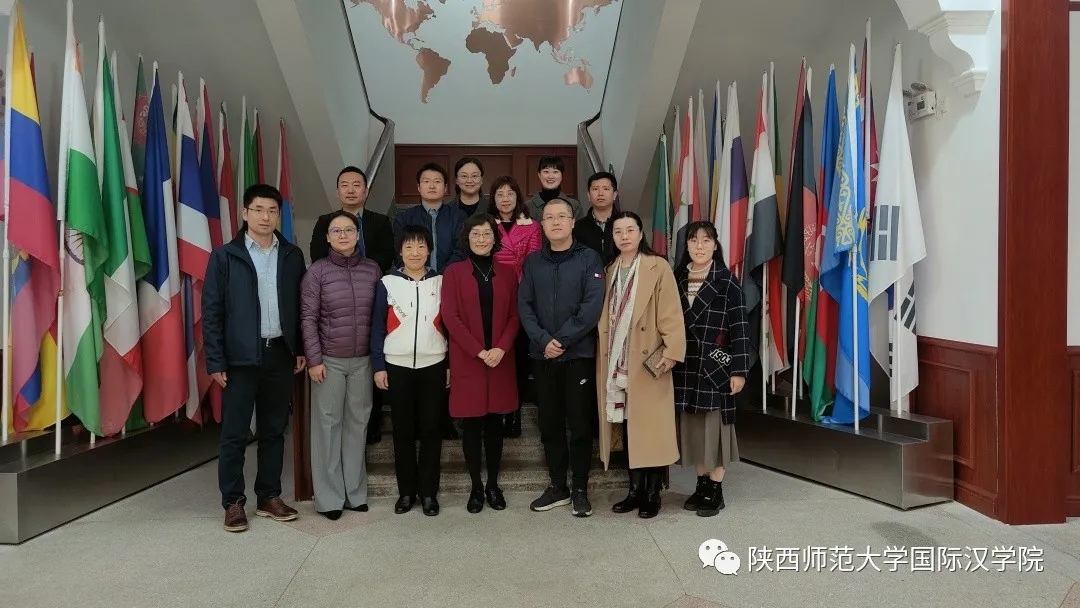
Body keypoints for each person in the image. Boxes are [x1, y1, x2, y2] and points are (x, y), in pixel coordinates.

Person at [203, 184, 307, 533]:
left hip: (280, 354)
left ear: (279, 215)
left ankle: (268, 496)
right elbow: (212, 310)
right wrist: (216, 360)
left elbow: (300, 307)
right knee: (234, 433)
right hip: (239, 358)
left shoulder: (292, 255)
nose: (266, 217)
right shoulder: (225, 256)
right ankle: (233, 502)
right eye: (259, 210)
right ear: (245, 213)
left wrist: (300, 348)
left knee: (274, 430)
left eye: (272, 211)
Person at [518, 198, 605, 517]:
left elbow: (592, 306)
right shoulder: (533, 262)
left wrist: (563, 339)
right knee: (550, 424)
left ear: (572, 222)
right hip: (542, 356)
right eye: (549, 217)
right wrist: (544, 341)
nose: (555, 222)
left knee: (580, 425)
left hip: (577, 355)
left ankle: (580, 488)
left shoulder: (589, 258)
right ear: (542, 225)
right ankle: (558, 486)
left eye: (561, 216)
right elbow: (525, 306)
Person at [596, 211, 686, 519]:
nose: (624, 236)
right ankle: (634, 491)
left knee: (651, 428)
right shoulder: (609, 269)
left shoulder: (657, 265)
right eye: (618, 231)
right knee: (628, 425)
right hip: (617, 359)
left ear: (640, 233)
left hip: (649, 359)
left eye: (630, 230)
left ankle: (652, 493)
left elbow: (671, 312)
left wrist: (671, 351)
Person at [300, 211, 382, 520]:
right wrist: (314, 359)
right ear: (327, 237)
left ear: (358, 234)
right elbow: (308, 319)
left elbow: (379, 317)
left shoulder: (372, 269)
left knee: (357, 426)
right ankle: (329, 498)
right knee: (328, 427)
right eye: (336, 231)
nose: (343, 235)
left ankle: (355, 494)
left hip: (363, 361)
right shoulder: (317, 272)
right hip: (329, 362)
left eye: (349, 230)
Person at [309, 166, 395, 445]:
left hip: (371, 296)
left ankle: (373, 424)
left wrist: (363, 273)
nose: (350, 189)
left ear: (366, 191)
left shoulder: (380, 221)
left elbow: (387, 255)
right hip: (336, 303)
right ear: (337, 191)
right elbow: (317, 255)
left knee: (372, 363)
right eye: (344, 185)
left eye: (356, 185)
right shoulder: (325, 221)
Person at [441, 214, 520, 512]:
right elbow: (450, 317)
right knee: (472, 426)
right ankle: (476, 487)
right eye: (476, 234)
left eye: (487, 233)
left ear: (495, 237)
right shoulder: (454, 272)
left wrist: (500, 348)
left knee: (495, 426)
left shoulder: (507, 272)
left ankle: (493, 485)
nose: (482, 239)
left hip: (500, 358)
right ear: (467, 238)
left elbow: (515, 316)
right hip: (468, 359)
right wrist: (479, 351)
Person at [672, 221, 750, 517]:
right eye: (694, 240)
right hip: (685, 366)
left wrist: (739, 370)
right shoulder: (677, 278)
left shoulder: (727, 281)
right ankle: (701, 485)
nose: (700, 246)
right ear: (687, 245)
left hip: (717, 366)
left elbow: (740, 328)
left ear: (716, 245)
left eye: (706, 240)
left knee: (715, 431)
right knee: (694, 431)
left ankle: (715, 491)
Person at [370, 225, 448, 517]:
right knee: (402, 432)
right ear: (400, 251)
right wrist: (378, 365)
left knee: (431, 430)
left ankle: (429, 493)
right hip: (397, 365)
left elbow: (450, 326)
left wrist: (450, 364)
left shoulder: (441, 282)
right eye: (409, 247)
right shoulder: (387, 283)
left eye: (421, 246)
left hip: (434, 365)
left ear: (429, 250)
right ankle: (406, 492)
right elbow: (377, 327)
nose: (415, 252)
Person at [488, 175, 541, 437]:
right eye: (499, 194)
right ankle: (497, 413)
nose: (505, 199)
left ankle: (515, 414)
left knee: (518, 360)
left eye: (510, 193)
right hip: (493, 297)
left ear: (518, 197)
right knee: (497, 357)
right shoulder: (486, 225)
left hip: (523, 298)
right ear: (493, 199)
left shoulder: (532, 226)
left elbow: (534, 263)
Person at [393, 162, 467, 274]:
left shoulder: (458, 217)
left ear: (445, 187)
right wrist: (418, 277)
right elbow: (399, 253)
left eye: (437, 181)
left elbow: (460, 251)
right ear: (419, 187)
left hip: (450, 277)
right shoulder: (404, 218)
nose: (432, 186)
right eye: (426, 181)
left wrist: (443, 275)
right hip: (414, 279)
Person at [573, 171, 618, 266]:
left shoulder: (627, 223)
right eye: (595, 189)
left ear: (614, 195)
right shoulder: (577, 227)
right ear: (589, 196)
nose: (600, 193)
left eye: (606, 189)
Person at [525, 156, 585, 221]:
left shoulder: (574, 205)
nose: (550, 176)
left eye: (555, 172)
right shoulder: (527, 206)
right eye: (546, 171)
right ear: (539, 175)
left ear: (562, 175)